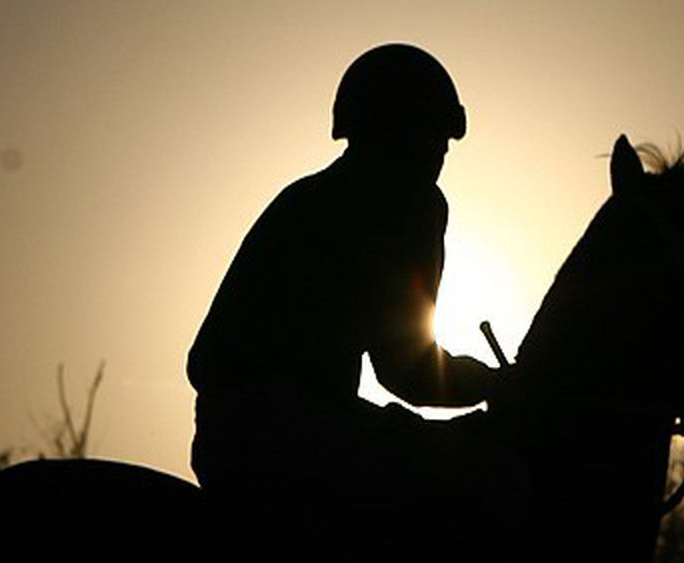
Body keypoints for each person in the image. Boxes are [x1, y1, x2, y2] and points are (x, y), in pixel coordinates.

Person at [187, 44, 502, 510]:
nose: (441, 155)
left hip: (226, 438)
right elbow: (409, 371)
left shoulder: (307, 196)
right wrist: (499, 387)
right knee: (485, 477)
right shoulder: (409, 203)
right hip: (297, 439)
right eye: (438, 137)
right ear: (412, 131)